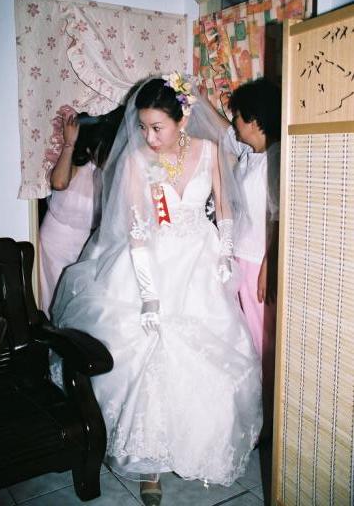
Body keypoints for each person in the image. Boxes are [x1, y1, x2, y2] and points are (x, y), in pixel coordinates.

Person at [51, 73, 262, 505]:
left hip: (201, 262)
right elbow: (137, 232)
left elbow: (224, 207)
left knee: (208, 363)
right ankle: (149, 463)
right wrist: (148, 295)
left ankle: (197, 447)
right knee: (149, 359)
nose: (148, 137)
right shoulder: (136, 162)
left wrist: (225, 252)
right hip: (151, 262)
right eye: (143, 127)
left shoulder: (209, 151)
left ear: (182, 119)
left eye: (156, 127)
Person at [221, 78, 281, 445]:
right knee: (245, 341)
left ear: (255, 120)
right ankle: (254, 416)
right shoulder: (250, 155)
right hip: (240, 257)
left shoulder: (276, 157)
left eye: (238, 117)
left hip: (258, 261)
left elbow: (280, 218)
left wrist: (268, 265)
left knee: (262, 345)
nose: (234, 124)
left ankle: (270, 423)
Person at [39, 106, 124, 316]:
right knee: (51, 298)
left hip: (84, 245)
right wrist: (69, 143)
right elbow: (58, 183)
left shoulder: (110, 176)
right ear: (90, 150)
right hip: (54, 242)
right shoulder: (77, 166)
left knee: (75, 299)